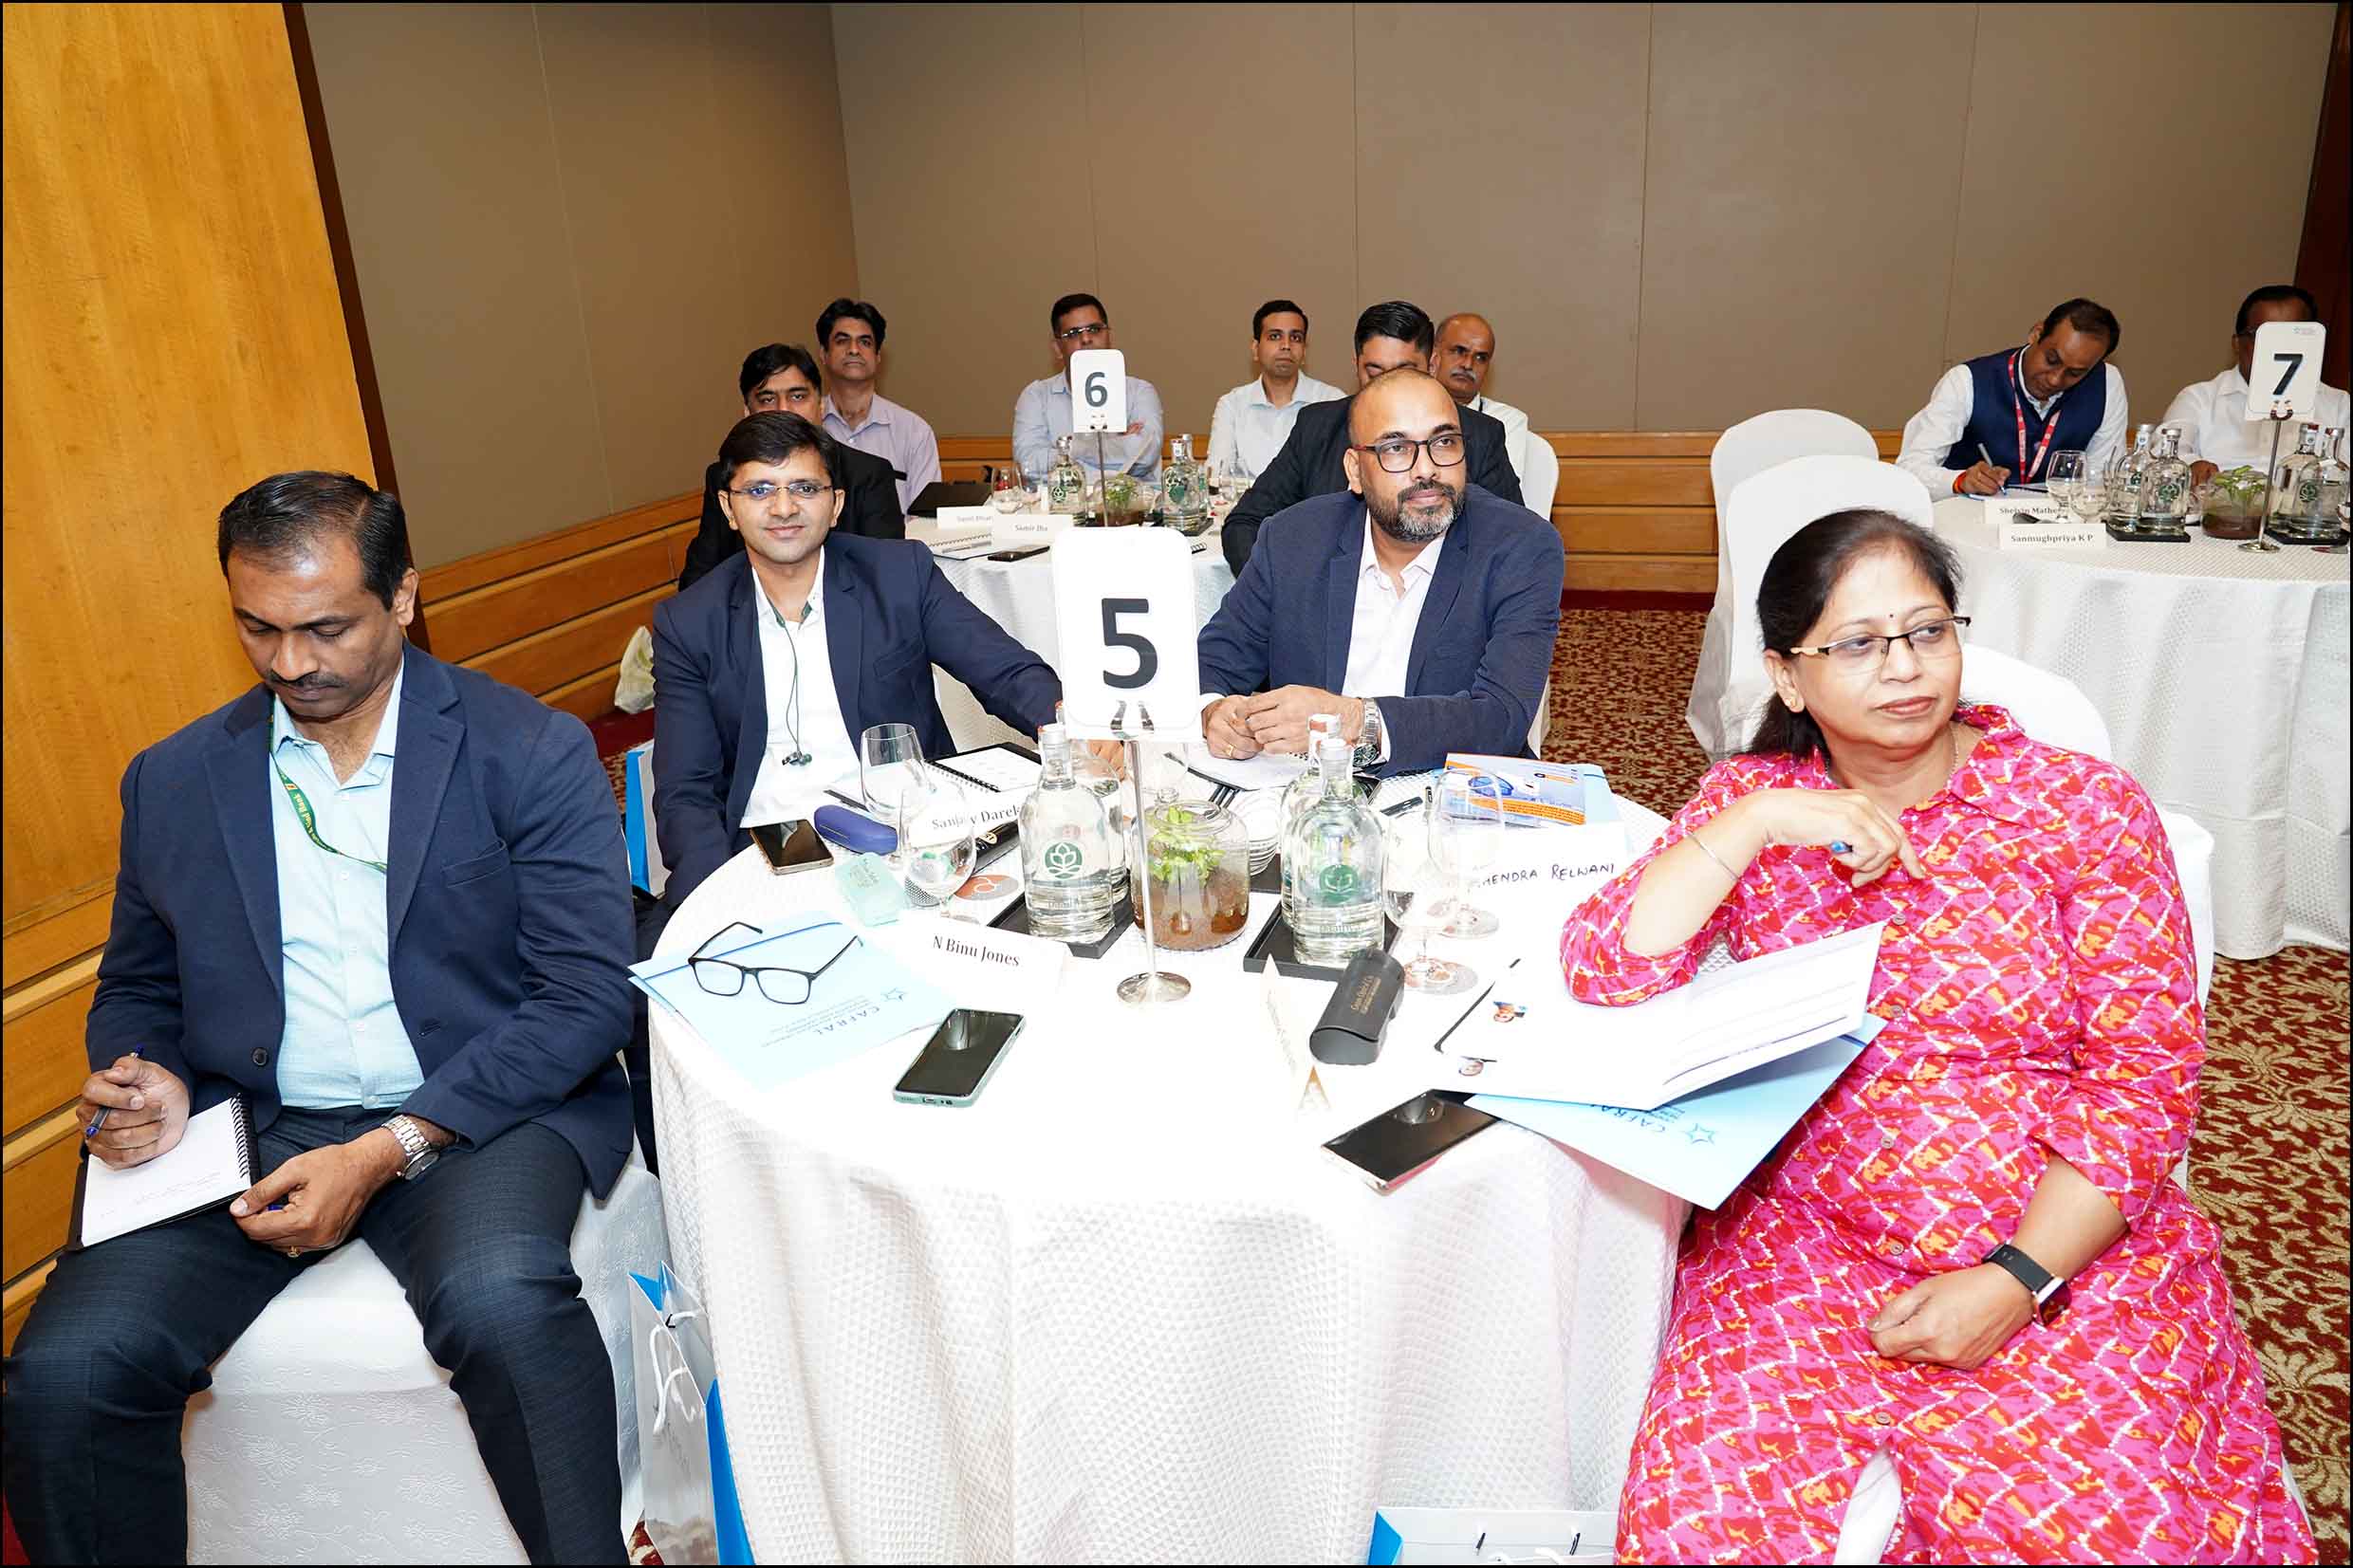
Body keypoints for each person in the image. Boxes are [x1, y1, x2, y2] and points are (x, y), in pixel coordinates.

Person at [1560, 509, 2313, 1564]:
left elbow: (2143, 1081)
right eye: (1858, 644)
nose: (1905, 667)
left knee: (2100, 1534)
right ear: (1787, 677)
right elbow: (1606, 967)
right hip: (1802, 1247)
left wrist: (2017, 1278)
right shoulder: (1754, 799)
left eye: (1926, 631)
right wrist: (1754, 826)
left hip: (2058, 1244)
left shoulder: (2079, 809)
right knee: (1696, 1530)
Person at [1, 472, 637, 1565]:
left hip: (471, 1109)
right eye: (259, 628)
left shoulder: (523, 749)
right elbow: (140, 985)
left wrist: (389, 1148)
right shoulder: (175, 779)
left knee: (504, 1307)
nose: (291, 663)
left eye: (326, 628)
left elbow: (586, 994)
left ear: (403, 598)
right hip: (254, 1117)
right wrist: (147, 1072)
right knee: (70, 1372)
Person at [654, 412, 1088, 910]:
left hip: (905, 838)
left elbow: (1006, 672)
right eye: (759, 490)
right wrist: (713, 903)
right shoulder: (690, 622)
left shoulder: (898, 575)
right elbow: (686, 792)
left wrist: (1071, 727)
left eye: (805, 488)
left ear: (836, 504)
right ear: (728, 508)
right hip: (763, 853)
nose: (783, 507)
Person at [1195, 368, 1562, 775]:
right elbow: (1212, 661)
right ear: (1355, 470)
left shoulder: (1521, 546)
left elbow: (1500, 719)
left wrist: (1354, 719)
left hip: (1454, 790)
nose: (1427, 469)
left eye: (1444, 442)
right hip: (1307, 789)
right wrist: (1214, 711)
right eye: (1396, 448)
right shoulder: (1293, 538)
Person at [1219, 301, 1524, 574]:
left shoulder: (1478, 435)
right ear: (1355, 366)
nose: (1387, 391)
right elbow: (1244, 523)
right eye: (1375, 373)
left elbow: (1515, 540)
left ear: (1431, 366)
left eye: (1404, 373)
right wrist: (1289, 595)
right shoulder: (1318, 427)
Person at [679, 342, 902, 594]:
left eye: (797, 397)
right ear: (747, 412)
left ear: (821, 406)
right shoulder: (725, 476)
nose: (784, 410)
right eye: (767, 399)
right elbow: (698, 581)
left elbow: (885, 577)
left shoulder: (868, 473)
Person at [1897, 298, 2129, 496]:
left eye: (2075, 373)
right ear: (2036, 334)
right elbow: (1911, 469)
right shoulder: (1967, 381)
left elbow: (2101, 480)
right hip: (1970, 517)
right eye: (2051, 360)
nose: (2055, 379)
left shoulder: (2106, 383)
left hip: (2053, 524)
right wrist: (1959, 481)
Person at [2162, 284, 2349, 486]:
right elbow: (2167, 451)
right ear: (2237, 343)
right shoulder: (2199, 398)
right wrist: (2192, 464)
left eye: (2293, 337)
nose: (2279, 348)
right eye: (2264, 337)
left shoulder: (2339, 404)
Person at [1011, 292, 1164, 483]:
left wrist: (1067, 451)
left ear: (1109, 336)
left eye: (1094, 329)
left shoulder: (1140, 392)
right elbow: (1029, 465)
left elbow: (1144, 458)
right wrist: (1107, 448)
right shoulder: (1036, 397)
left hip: (1131, 502)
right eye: (1073, 334)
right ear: (1058, 348)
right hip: (1061, 502)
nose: (1086, 339)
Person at [816, 297, 941, 513]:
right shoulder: (807, 426)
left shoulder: (914, 431)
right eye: (842, 341)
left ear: (878, 356)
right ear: (824, 354)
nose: (854, 350)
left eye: (865, 342)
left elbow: (925, 519)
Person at [1205, 298, 1345, 481]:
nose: (1286, 345)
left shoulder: (1333, 401)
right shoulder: (1232, 405)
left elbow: (1338, 477)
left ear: (1304, 351)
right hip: (1247, 500)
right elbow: (1217, 477)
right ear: (1255, 349)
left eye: (1295, 338)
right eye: (1275, 336)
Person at [1433, 311, 1536, 492]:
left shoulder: (1506, 421)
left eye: (1481, 358)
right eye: (1459, 351)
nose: (1468, 364)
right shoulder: (1409, 410)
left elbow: (1498, 496)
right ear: (1433, 355)